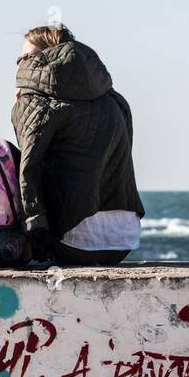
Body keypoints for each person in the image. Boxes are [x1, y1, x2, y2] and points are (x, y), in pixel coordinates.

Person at [12, 25, 144, 266]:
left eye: (22, 58)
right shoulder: (114, 100)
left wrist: (35, 233)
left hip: (73, 243)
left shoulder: (33, 102)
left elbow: (28, 170)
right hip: (124, 241)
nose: (19, 65)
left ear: (40, 60)